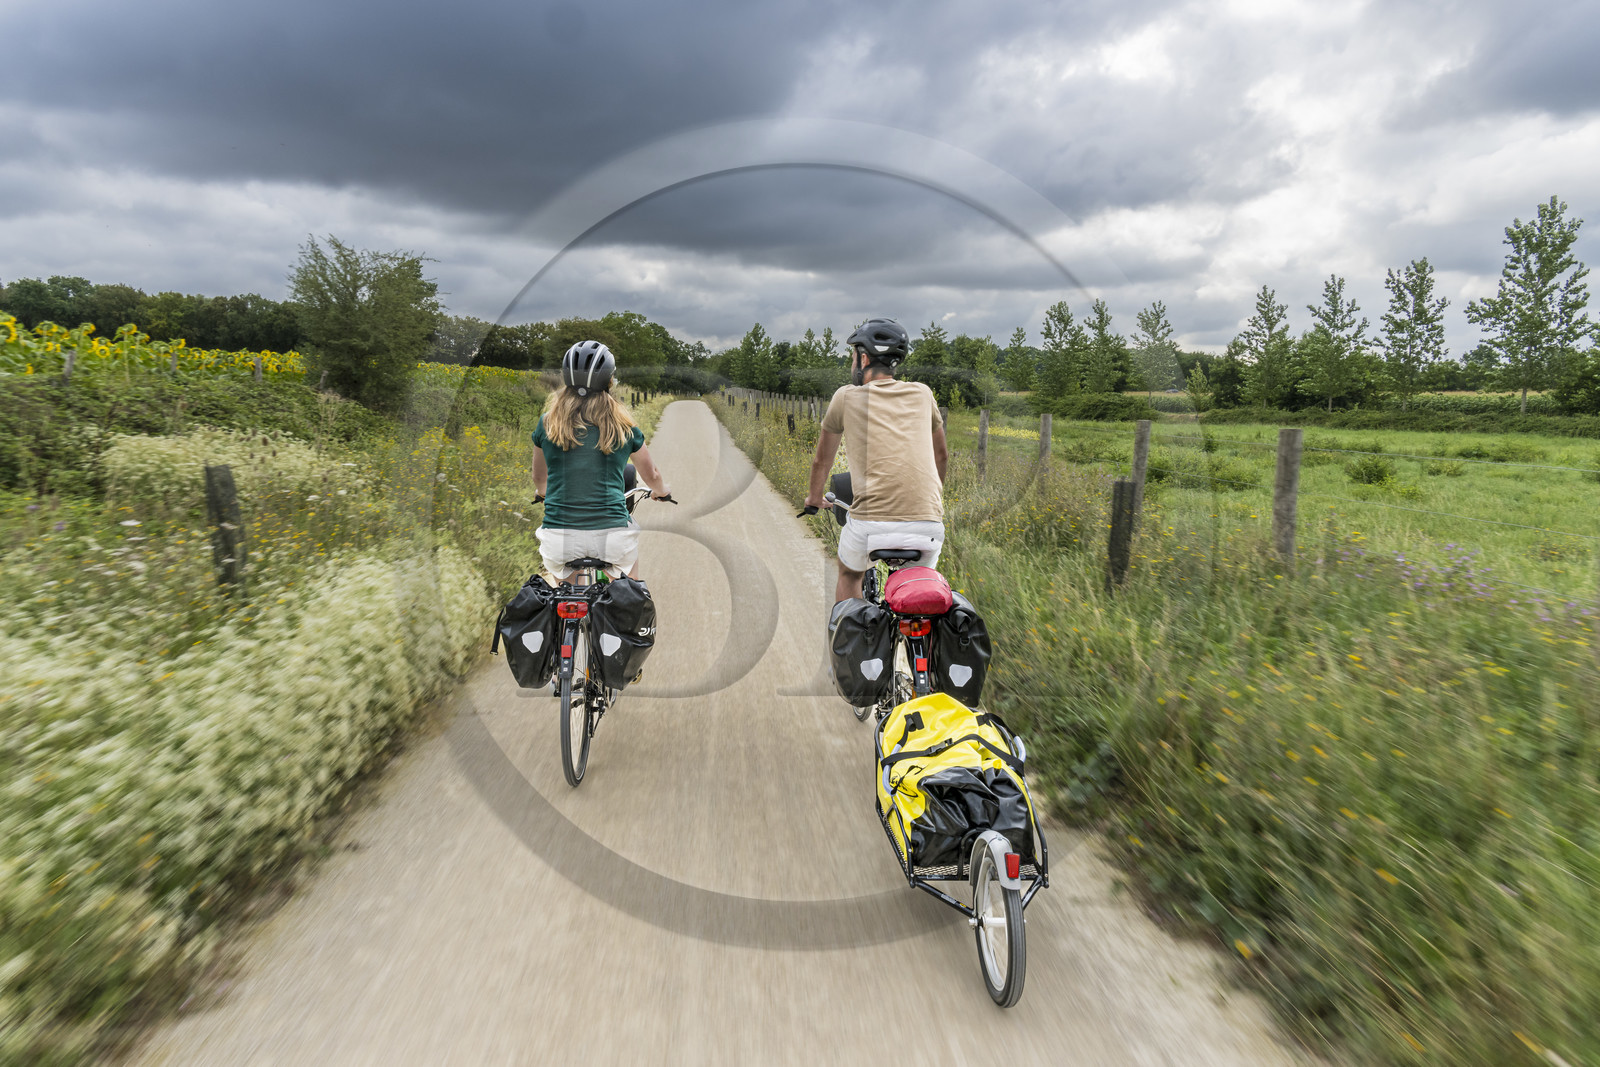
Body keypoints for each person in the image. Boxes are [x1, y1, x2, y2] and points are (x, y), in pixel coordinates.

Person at [801, 318, 948, 603]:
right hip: (927, 524)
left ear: (864, 358)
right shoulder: (923, 393)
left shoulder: (845, 397)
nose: (852, 363)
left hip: (870, 526)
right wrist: (931, 498)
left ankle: (850, 643)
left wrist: (815, 497)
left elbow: (822, 461)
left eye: (853, 356)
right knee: (919, 589)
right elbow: (940, 456)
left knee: (849, 574)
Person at [532, 341, 672, 582]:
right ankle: (629, 616)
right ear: (610, 381)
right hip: (613, 540)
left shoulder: (548, 423)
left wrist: (542, 492)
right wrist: (661, 491)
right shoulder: (624, 425)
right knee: (629, 588)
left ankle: (566, 619)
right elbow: (652, 476)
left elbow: (539, 478)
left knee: (565, 594)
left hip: (559, 539)